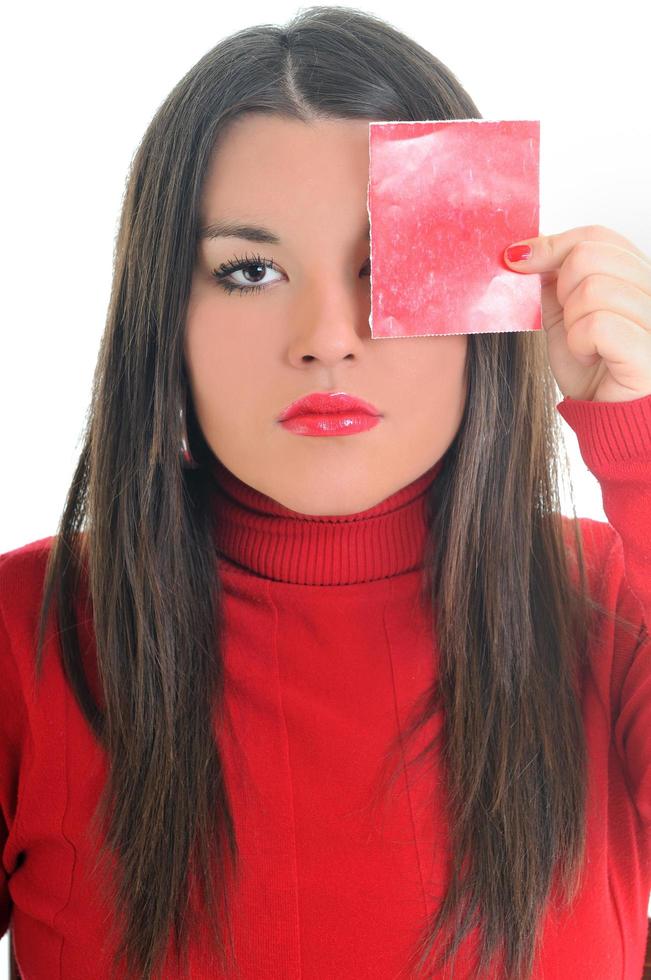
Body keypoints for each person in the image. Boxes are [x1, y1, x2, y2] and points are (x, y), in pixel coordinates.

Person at [1, 7, 650, 980]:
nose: (328, 336)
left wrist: (640, 447)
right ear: (163, 319)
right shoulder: (26, 632)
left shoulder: (608, 601)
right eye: (250, 270)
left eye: (384, 269)